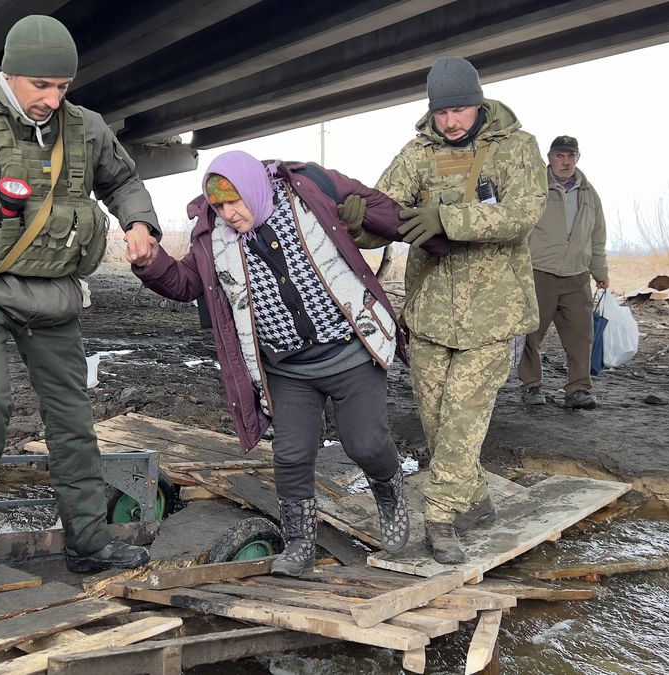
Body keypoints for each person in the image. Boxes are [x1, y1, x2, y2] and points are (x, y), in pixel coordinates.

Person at [0, 15, 160, 586]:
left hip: (56, 296)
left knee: (72, 418)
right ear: (9, 74)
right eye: (40, 86)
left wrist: (141, 222)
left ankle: (89, 544)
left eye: (61, 87)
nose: (51, 98)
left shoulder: (85, 129)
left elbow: (123, 179)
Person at [132, 150, 449, 576]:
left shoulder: (311, 192)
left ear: (256, 190)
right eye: (220, 205)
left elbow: (383, 213)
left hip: (350, 353)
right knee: (292, 455)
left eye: (236, 201)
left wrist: (445, 235)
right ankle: (300, 542)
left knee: (365, 444)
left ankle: (388, 493)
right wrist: (151, 263)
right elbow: (188, 283)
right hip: (286, 369)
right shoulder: (212, 237)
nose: (230, 213)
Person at [375, 56, 547, 564]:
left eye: (459, 111)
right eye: (441, 112)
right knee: (435, 419)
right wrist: (364, 218)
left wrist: (447, 218)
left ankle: (442, 514)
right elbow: (388, 205)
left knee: (464, 419)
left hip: (492, 313)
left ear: (478, 102)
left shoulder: (517, 147)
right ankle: (474, 501)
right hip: (429, 310)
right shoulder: (417, 152)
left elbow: (522, 213)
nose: (449, 122)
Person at [519, 135, 609, 410]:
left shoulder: (588, 192)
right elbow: (520, 229)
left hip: (577, 276)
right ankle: (531, 386)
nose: (565, 161)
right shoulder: (535, 188)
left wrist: (600, 271)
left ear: (577, 159)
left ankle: (579, 389)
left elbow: (597, 235)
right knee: (530, 334)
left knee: (581, 336)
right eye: (560, 156)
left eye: (570, 156)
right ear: (549, 158)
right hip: (538, 272)